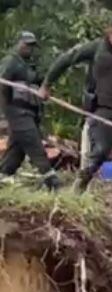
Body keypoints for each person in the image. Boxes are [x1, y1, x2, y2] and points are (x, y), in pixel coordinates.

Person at [40, 15, 112, 198]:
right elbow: (66, 60)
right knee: (100, 150)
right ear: (111, 33)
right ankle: (78, 189)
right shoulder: (95, 48)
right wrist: (46, 85)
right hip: (102, 109)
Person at [0, 31, 60, 190]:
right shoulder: (11, 61)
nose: (29, 48)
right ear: (19, 43)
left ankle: (4, 174)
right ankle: (50, 177)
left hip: (30, 111)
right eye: (26, 44)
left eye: (32, 46)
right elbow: (3, 85)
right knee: (33, 142)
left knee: (17, 148)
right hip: (17, 111)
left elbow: (40, 81)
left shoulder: (29, 64)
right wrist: (7, 110)